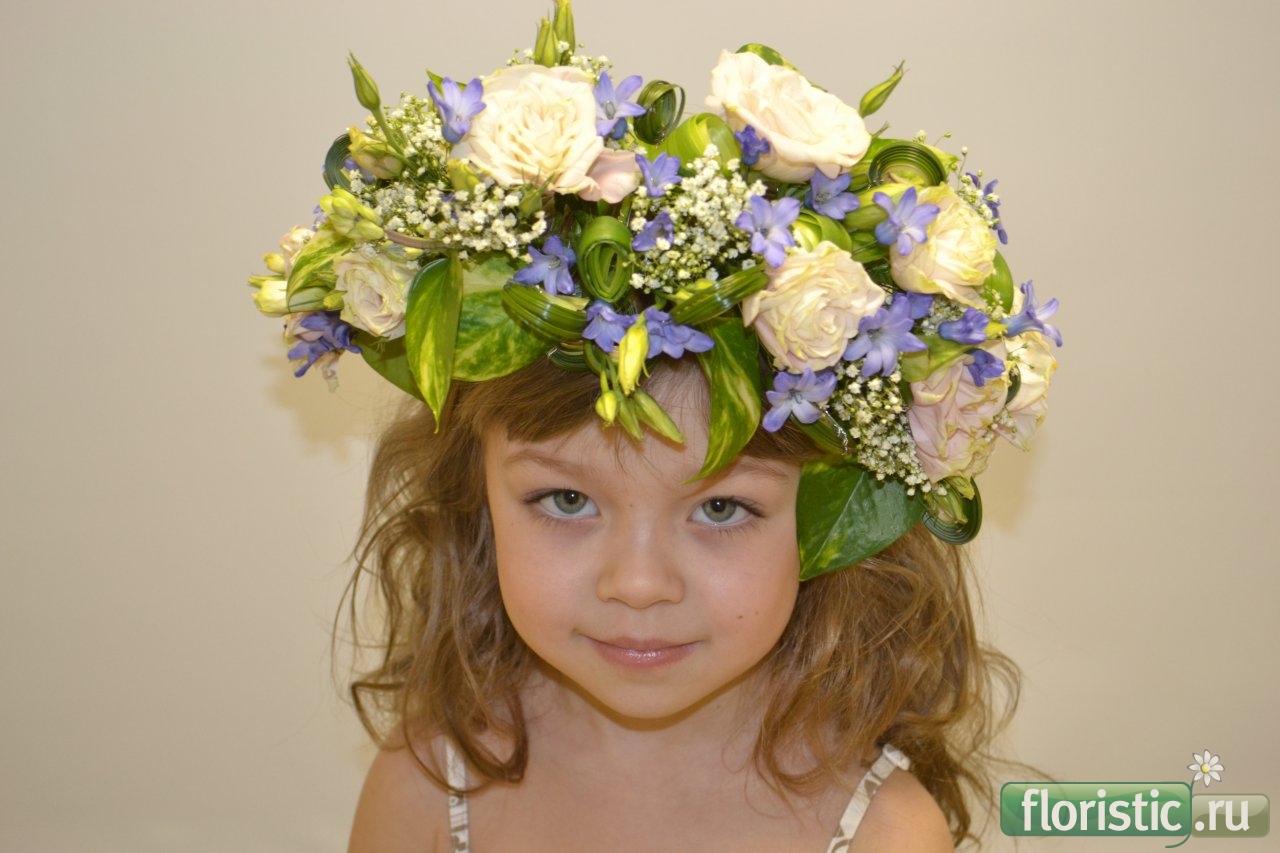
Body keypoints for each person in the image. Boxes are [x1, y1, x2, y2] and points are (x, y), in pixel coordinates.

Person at [246, 2, 1060, 848]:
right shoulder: (426, 790)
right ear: (473, 497)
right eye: (565, 499)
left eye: (721, 508)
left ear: (839, 530)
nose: (638, 585)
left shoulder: (885, 834)